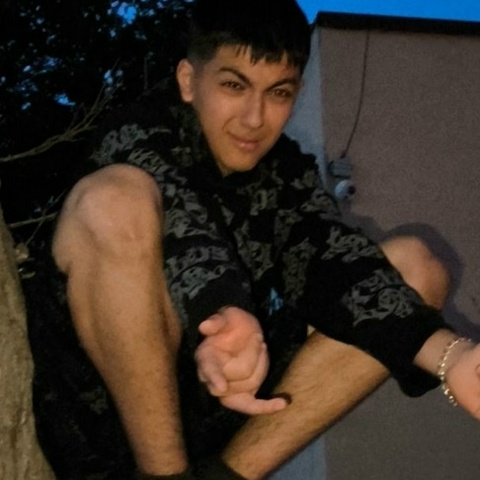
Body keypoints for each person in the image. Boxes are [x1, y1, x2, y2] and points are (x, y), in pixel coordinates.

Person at [24, 0, 480, 479]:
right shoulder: (138, 134)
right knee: (113, 199)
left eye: (278, 93)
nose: (254, 118)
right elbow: (184, 221)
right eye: (234, 86)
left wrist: (450, 356)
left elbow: (332, 260)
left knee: (415, 266)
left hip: (217, 425)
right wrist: (222, 309)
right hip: (102, 427)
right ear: (188, 80)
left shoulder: (286, 173)